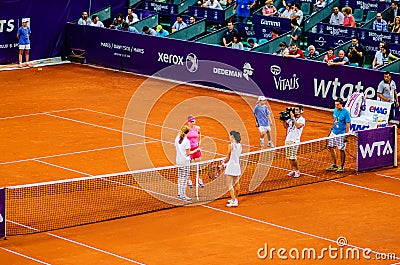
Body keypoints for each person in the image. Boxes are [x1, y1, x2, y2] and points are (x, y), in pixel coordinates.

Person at [175, 126, 200, 201]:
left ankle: (180, 193)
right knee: (184, 178)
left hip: (178, 161)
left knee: (180, 177)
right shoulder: (186, 141)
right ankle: (183, 195)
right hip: (185, 162)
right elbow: (188, 153)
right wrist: (196, 150)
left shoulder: (177, 139)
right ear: (187, 133)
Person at [326, 98, 351, 173]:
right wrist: (331, 129)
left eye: (338, 104)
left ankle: (342, 166)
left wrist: (346, 135)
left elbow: (348, 124)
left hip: (341, 133)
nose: (336, 106)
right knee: (330, 146)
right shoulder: (335, 110)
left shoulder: (346, 112)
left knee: (341, 149)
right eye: (335, 104)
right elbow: (334, 120)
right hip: (334, 132)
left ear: (341, 104)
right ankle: (334, 164)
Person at [281, 105, 305, 178]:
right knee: (289, 157)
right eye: (295, 110)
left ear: (301, 111)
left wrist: (293, 118)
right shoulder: (290, 119)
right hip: (288, 140)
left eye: (297, 110)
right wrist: (284, 120)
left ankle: (297, 171)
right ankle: (293, 170)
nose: (295, 111)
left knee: (293, 157)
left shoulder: (302, 119)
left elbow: (298, 126)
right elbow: (285, 126)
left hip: (295, 141)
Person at [223, 131, 242, 207]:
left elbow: (228, 157)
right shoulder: (240, 145)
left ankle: (234, 201)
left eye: (230, 136)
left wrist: (223, 163)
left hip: (231, 167)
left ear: (233, 137)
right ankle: (236, 199)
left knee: (229, 185)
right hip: (237, 166)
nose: (229, 137)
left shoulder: (230, 146)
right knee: (236, 183)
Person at [186, 115, 205, 188]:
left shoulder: (197, 128)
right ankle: (189, 181)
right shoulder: (185, 129)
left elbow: (199, 134)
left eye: (193, 121)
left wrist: (199, 143)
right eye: (191, 121)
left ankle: (199, 180)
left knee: (199, 166)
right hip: (189, 149)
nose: (192, 123)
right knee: (190, 166)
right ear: (188, 122)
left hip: (197, 149)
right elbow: (181, 138)